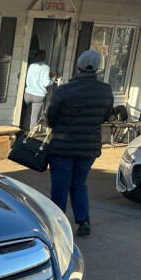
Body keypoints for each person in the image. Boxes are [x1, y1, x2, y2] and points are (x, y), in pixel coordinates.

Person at [44, 50, 114, 237]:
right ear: (97, 68)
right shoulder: (105, 90)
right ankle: (83, 221)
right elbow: (105, 116)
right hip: (88, 147)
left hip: (63, 146)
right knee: (79, 184)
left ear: (78, 67)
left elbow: (51, 116)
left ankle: (57, 225)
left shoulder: (65, 90)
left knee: (60, 186)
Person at [24, 50, 56, 129]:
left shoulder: (31, 66)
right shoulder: (45, 67)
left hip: (27, 94)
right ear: (44, 57)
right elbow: (46, 83)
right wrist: (53, 78)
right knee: (34, 117)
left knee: (24, 114)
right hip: (38, 96)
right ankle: (30, 135)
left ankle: (22, 128)